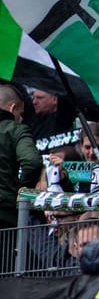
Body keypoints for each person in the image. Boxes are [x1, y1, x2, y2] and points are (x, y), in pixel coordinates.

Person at [0, 84, 44, 219]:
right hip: (4, 211)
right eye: (21, 113)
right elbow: (32, 162)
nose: (21, 118)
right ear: (12, 108)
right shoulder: (15, 129)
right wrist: (21, 188)